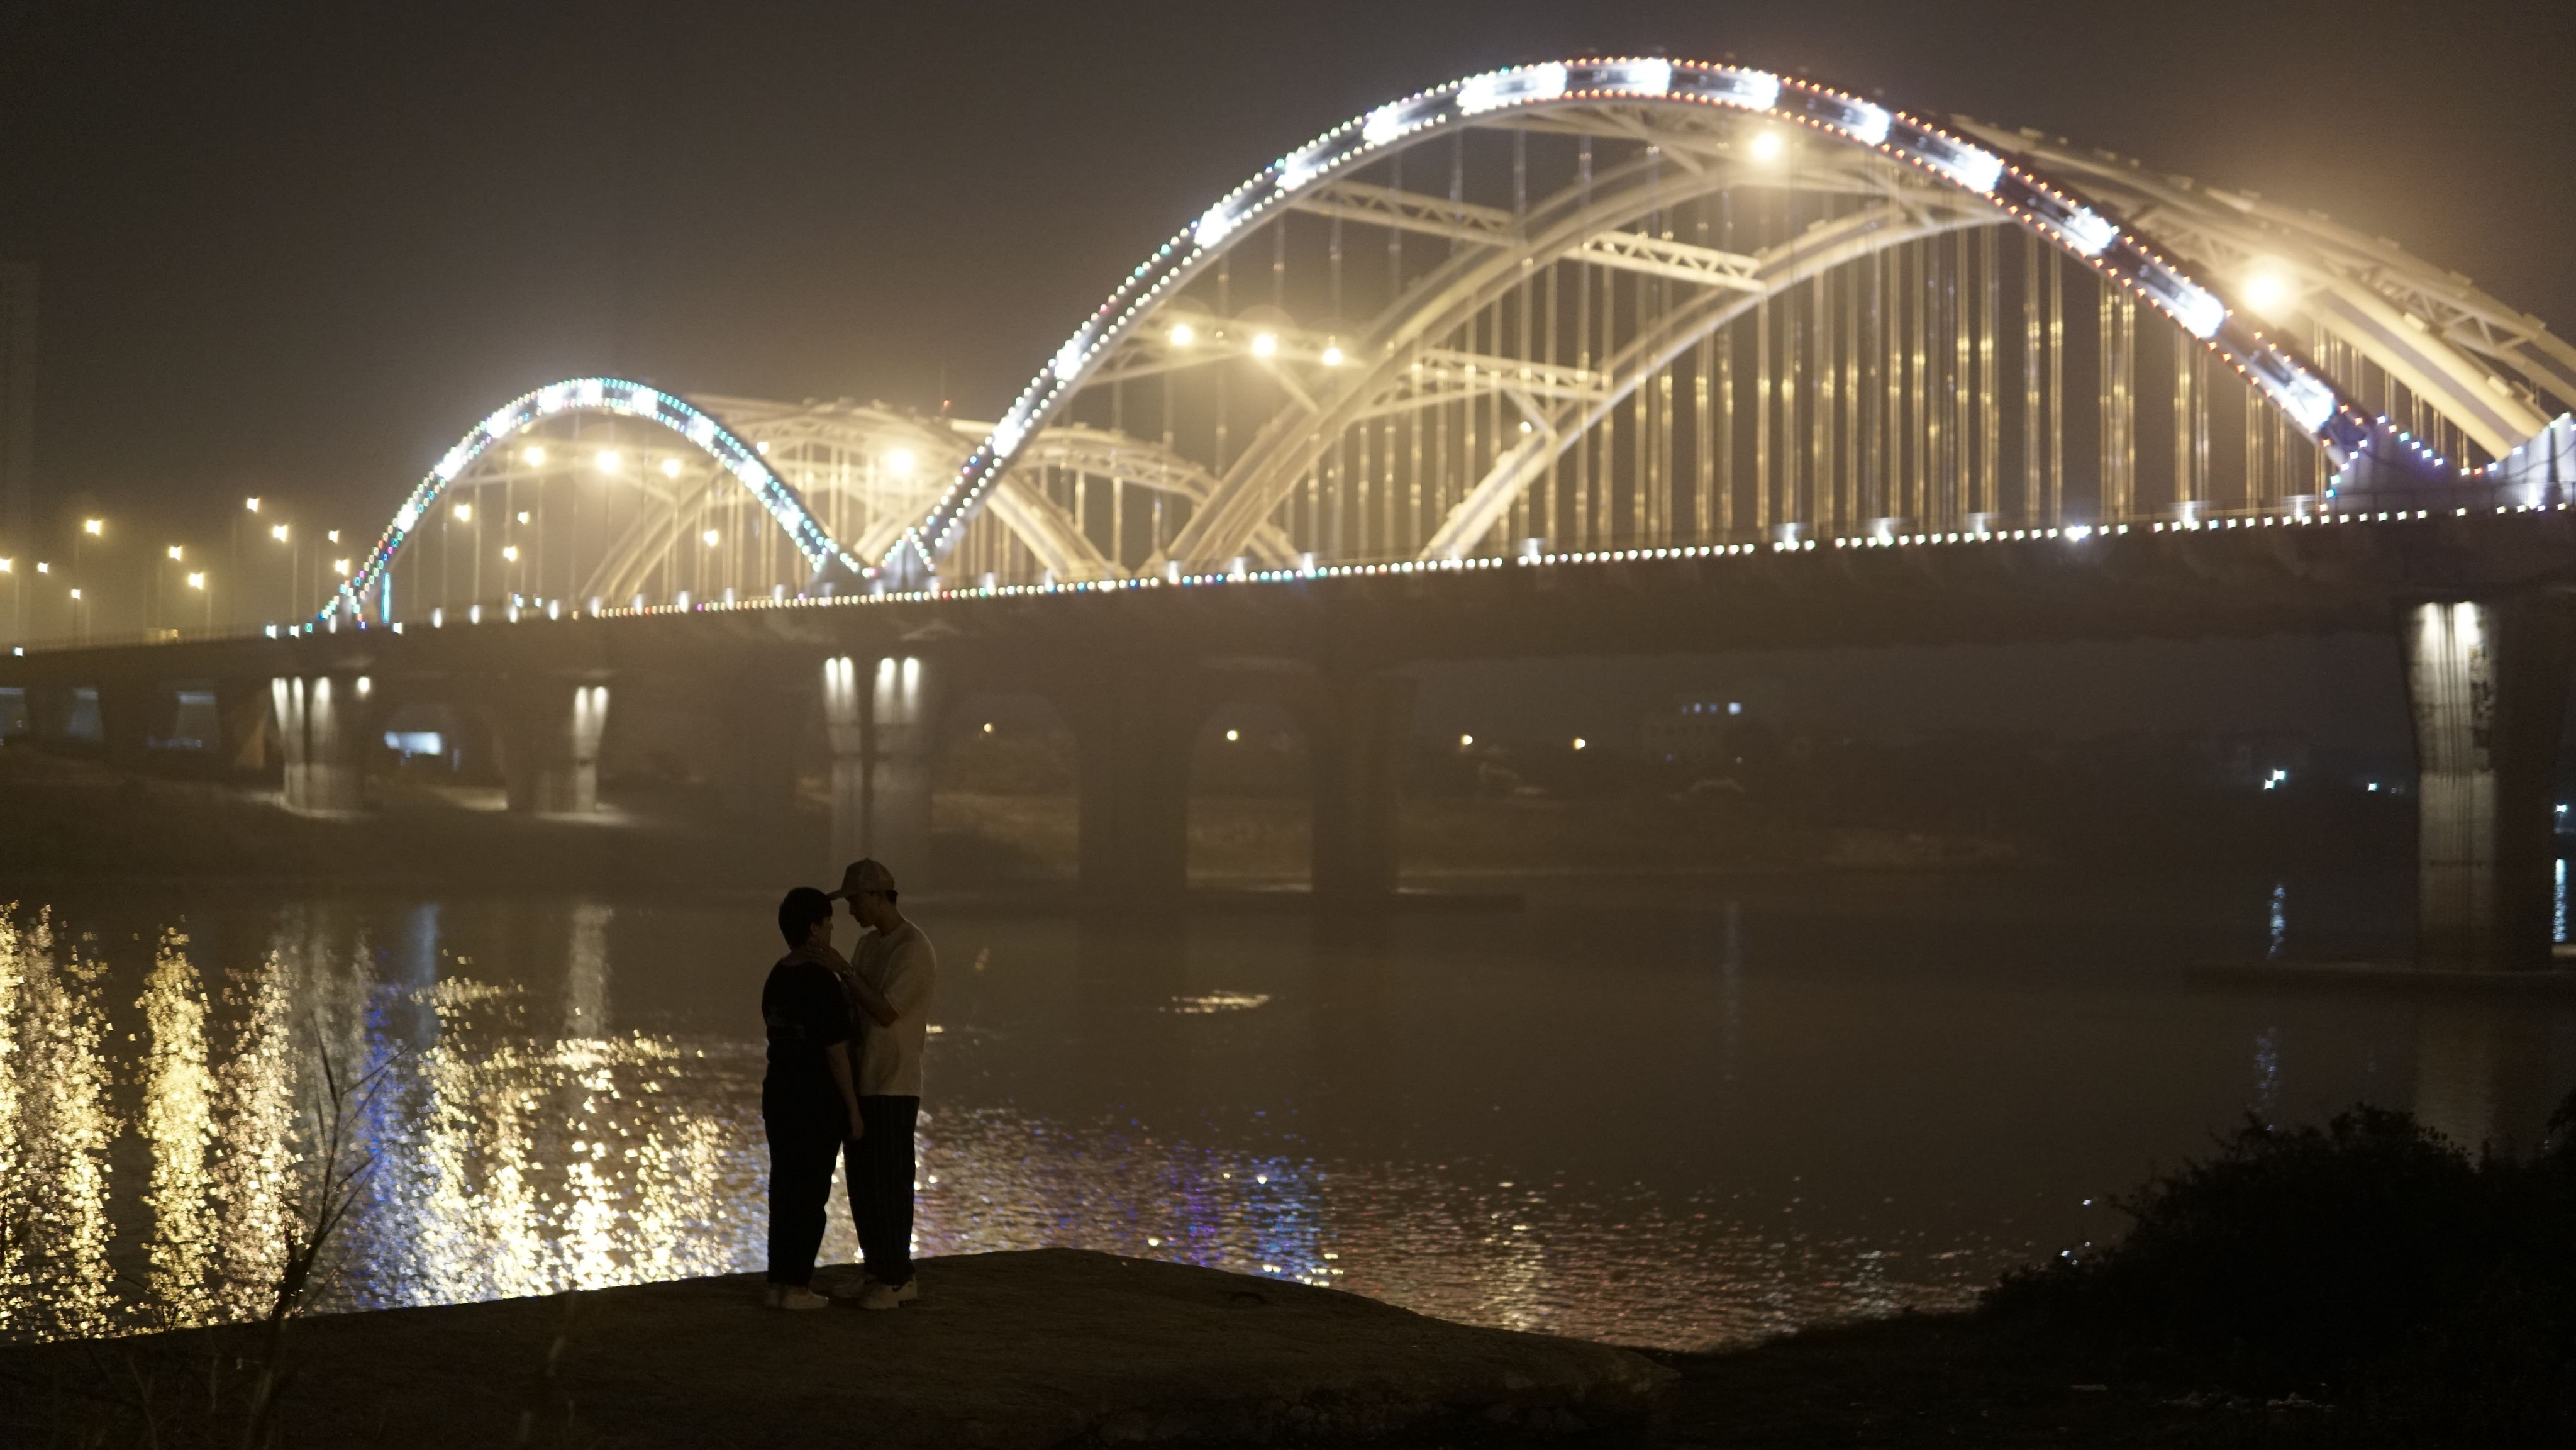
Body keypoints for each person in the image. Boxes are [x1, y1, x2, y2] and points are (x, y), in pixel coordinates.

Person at [828, 857, 937, 1310]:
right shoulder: (868, 945)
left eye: (855, 901)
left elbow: (887, 1010)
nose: (852, 910)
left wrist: (843, 970)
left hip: (894, 1082)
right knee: (863, 1183)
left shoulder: (913, 947)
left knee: (891, 1182)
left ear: (877, 896)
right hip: (863, 1079)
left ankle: (898, 1276)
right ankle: (875, 1270)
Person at [757, 886, 864, 1310]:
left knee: (784, 1189)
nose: (833, 929)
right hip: (815, 1100)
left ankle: (778, 1284)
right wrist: (853, 1108)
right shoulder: (821, 981)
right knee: (811, 1194)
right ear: (815, 929)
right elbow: (836, 1052)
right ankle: (798, 1287)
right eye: (829, 923)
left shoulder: (778, 975)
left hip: (778, 1094)